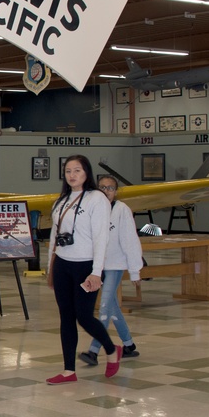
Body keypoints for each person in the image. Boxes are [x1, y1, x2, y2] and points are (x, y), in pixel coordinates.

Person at [45, 154, 121, 385]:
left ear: (86, 173)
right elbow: (54, 236)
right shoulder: (62, 200)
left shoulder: (96, 198)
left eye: (77, 170)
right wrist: (50, 265)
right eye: (68, 171)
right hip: (63, 264)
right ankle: (69, 370)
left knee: (83, 316)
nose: (72, 175)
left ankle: (111, 349)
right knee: (66, 316)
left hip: (86, 265)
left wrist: (96, 272)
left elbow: (101, 237)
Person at [79, 176, 142, 366]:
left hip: (114, 265)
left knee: (105, 308)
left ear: (116, 191)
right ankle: (129, 345)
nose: (106, 191)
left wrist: (135, 270)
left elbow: (130, 240)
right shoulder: (92, 208)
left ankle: (94, 351)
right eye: (103, 187)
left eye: (111, 188)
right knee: (113, 307)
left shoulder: (122, 210)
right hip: (97, 266)